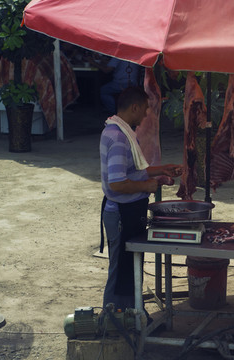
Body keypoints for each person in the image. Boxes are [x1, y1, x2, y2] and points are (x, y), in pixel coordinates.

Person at [100, 86, 182, 314]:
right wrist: (146, 186)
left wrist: (160, 171)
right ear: (134, 107)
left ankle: (131, 313)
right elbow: (117, 183)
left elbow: (133, 170)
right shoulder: (118, 138)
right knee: (120, 269)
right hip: (120, 213)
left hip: (129, 211)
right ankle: (112, 319)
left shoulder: (122, 131)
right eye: (145, 109)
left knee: (130, 265)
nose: (146, 114)